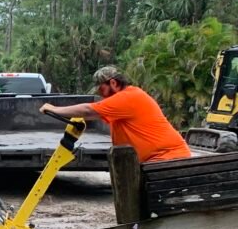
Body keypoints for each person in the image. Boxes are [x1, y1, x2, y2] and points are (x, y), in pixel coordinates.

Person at [39, 66, 192, 163]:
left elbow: (88, 110)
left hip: (168, 158)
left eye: (101, 90)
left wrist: (54, 109)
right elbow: (94, 115)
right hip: (158, 159)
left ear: (113, 83)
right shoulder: (124, 101)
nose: (102, 95)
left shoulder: (128, 97)